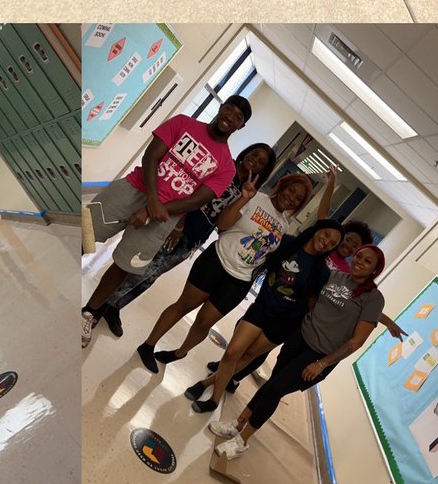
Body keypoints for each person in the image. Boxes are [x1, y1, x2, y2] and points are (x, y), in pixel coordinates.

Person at [81, 98, 249, 347]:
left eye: (238, 118)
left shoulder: (226, 167)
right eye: (229, 110)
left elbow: (195, 201)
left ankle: (90, 313)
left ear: (240, 126)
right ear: (221, 107)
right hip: (133, 189)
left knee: (124, 265)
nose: (230, 117)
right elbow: (151, 157)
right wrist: (151, 202)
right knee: (85, 234)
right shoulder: (183, 123)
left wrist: (151, 211)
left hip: (165, 215)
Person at [207, 242, 388, 461]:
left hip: (319, 356)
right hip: (299, 338)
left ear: (375, 270)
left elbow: (356, 342)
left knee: (275, 389)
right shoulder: (336, 276)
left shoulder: (374, 299)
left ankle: (242, 440)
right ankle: (237, 424)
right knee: (273, 383)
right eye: (359, 256)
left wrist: (322, 364)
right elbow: (312, 297)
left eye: (367, 261)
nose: (359, 261)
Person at [137, 170, 332, 372]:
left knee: (204, 322)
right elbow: (222, 224)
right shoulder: (255, 198)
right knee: (184, 305)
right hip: (217, 261)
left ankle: (179, 353)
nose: (291, 198)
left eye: (298, 199)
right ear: (282, 186)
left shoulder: (283, 225)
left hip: (241, 280)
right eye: (291, 191)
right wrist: (243, 199)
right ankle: (148, 345)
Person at [91, 142, 277, 339]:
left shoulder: (247, 191)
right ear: (247, 151)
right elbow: (191, 191)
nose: (254, 161)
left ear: (262, 171)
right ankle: (100, 305)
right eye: (254, 154)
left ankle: (115, 307)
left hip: (194, 238)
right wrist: (179, 225)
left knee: (151, 276)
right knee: (139, 266)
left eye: (260, 162)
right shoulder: (224, 168)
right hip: (176, 225)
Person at [185, 219, 345, 413]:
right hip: (261, 308)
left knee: (249, 355)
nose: (327, 242)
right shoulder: (286, 243)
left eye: (333, 243)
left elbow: (313, 304)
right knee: (232, 352)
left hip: (284, 323)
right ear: (317, 229)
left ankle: (211, 394)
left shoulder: (322, 272)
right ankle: (211, 389)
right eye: (326, 235)